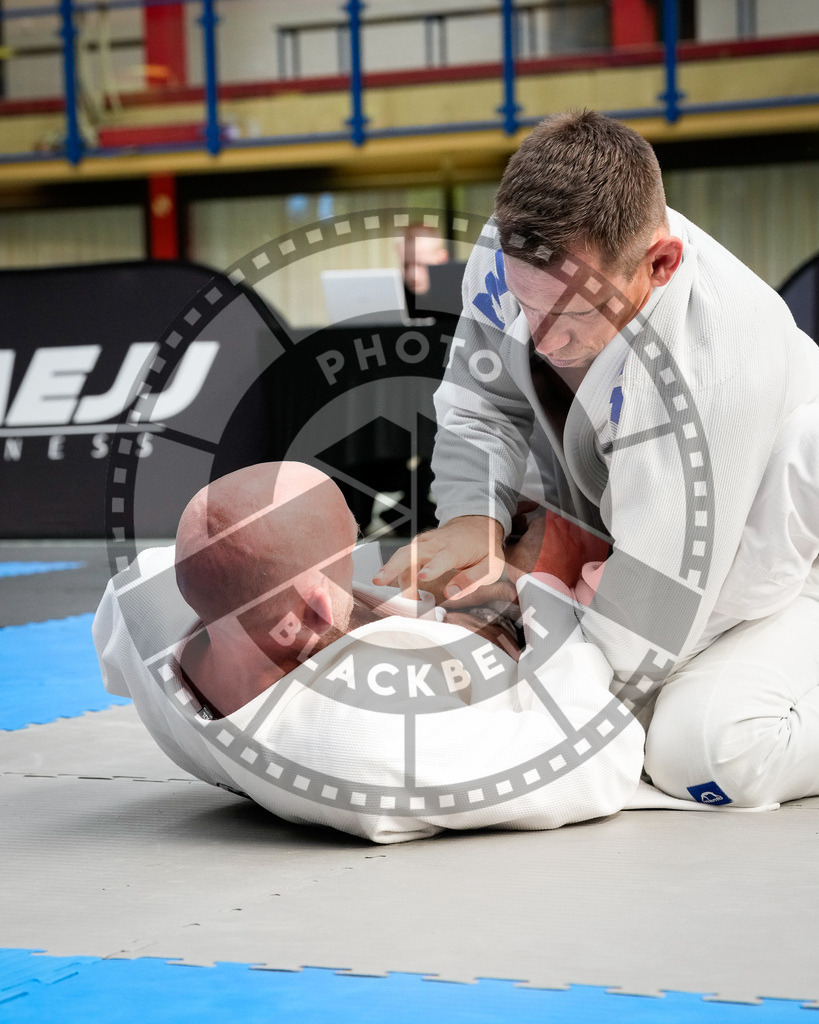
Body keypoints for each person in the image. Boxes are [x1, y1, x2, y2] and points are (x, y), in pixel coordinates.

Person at [376, 109, 819, 808]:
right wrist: (473, 520)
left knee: (705, 753)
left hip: (779, 564)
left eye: (573, 316)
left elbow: (638, 633)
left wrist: (508, 676)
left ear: (661, 263)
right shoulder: (507, 251)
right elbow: (480, 404)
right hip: (633, 535)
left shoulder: (718, 364)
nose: (539, 337)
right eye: (526, 305)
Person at [93, 461, 646, 844]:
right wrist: (546, 592)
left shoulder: (146, 599)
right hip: (550, 666)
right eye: (349, 554)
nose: (359, 559)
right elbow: (598, 762)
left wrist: (402, 604)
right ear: (314, 610)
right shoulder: (365, 747)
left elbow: (230, 551)